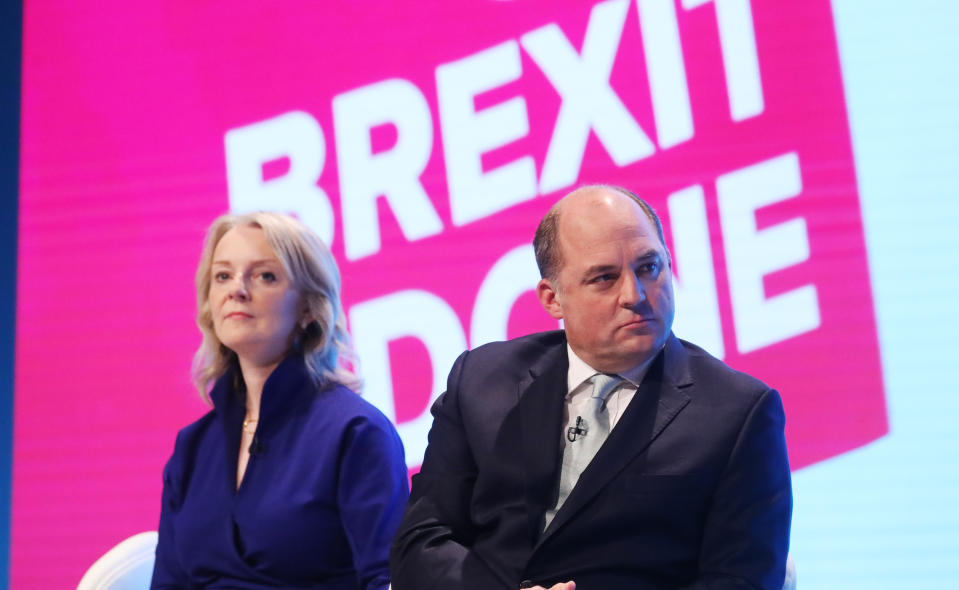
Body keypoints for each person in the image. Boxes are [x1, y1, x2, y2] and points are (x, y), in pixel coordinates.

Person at [390, 185, 792, 590]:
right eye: (604, 278)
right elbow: (421, 543)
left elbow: (741, 580)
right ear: (553, 299)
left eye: (649, 268)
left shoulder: (738, 413)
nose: (634, 295)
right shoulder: (482, 379)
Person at [152, 212, 408, 589]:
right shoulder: (192, 448)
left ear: (308, 309)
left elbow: (388, 580)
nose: (236, 290)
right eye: (223, 275)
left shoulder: (356, 433)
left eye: (264, 276)